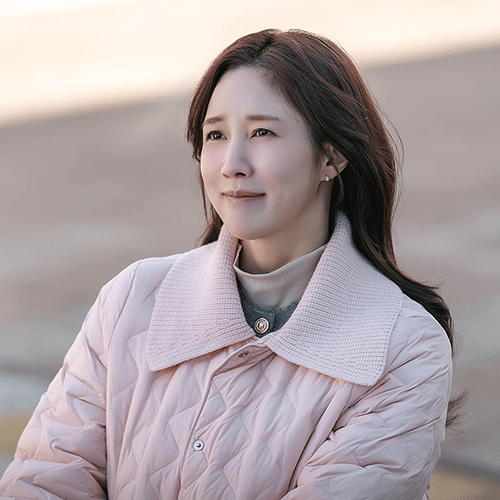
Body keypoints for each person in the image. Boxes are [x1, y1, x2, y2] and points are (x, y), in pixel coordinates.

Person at [0, 28, 455, 499]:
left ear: (332, 155)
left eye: (262, 132)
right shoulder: (131, 299)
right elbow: (45, 477)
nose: (231, 163)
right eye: (216, 134)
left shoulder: (405, 348)